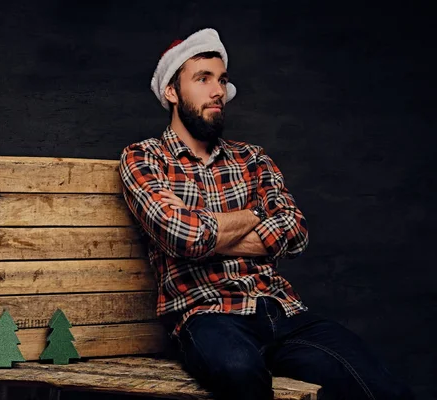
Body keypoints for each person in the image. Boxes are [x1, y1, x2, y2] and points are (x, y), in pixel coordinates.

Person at [118, 28, 413, 400]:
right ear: (172, 92)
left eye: (222, 80)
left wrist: (212, 232)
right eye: (203, 78)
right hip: (207, 315)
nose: (218, 91)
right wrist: (258, 212)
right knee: (239, 373)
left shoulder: (252, 158)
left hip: (281, 310)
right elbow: (183, 237)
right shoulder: (144, 157)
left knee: (380, 385)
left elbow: (296, 231)